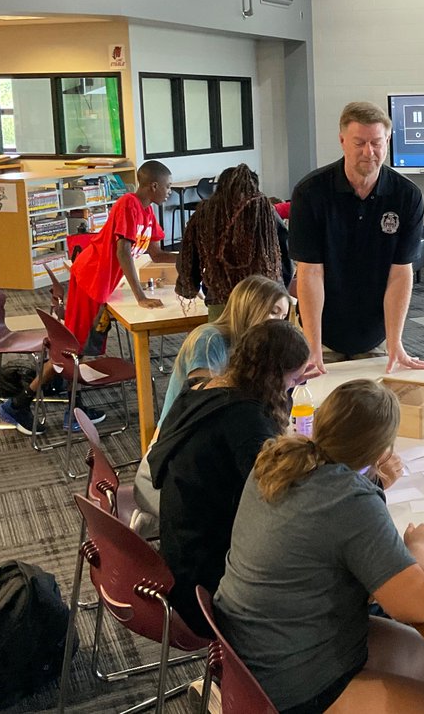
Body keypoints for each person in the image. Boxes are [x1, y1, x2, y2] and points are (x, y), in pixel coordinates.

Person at [215, 379, 424, 714]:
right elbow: (417, 606)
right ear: (383, 450)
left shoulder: (276, 461)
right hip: (293, 684)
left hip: (250, 656)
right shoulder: (348, 500)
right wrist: (421, 546)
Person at [148, 319, 310, 634]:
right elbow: (279, 499)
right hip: (208, 586)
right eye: (293, 379)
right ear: (273, 376)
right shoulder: (245, 420)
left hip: (179, 555)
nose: (294, 387)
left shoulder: (201, 390)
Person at [0, 160, 177, 432]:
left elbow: (157, 254)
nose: (170, 192)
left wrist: (195, 257)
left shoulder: (148, 212)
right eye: (168, 186)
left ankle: (68, 404)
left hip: (102, 285)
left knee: (78, 347)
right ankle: (20, 405)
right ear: (154, 185)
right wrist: (140, 296)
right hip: (90, 279)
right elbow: (123, 252)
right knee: (72, 348)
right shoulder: (128, 204)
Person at [289, 101, 424, 374]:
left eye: (377, 143)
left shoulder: (407, 196)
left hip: (376, 332)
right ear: (342, 141)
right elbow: (310, 274)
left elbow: (400, 274)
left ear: (388, 140)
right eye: (359, 143)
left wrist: (395, 340)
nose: (369, 152)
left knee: (375, 409)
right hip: (321, 331)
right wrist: (313, 345)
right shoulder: (311, 193)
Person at [157, 274, 291, 431]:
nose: (279, 323)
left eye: (283, 317)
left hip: (215, 429)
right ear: (249, 308)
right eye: (274, 312)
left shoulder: (257, 346)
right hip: (181, 434)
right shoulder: (209, 340)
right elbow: (204, 403)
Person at [175, 164, 286, 320]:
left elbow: (188, 258)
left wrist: (187, 285)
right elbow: (284, 256)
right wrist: (280, 288)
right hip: (263, 299)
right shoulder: (265, 211)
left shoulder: (204, 214)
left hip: (221, 298)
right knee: (262, 343)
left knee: (222, 342)